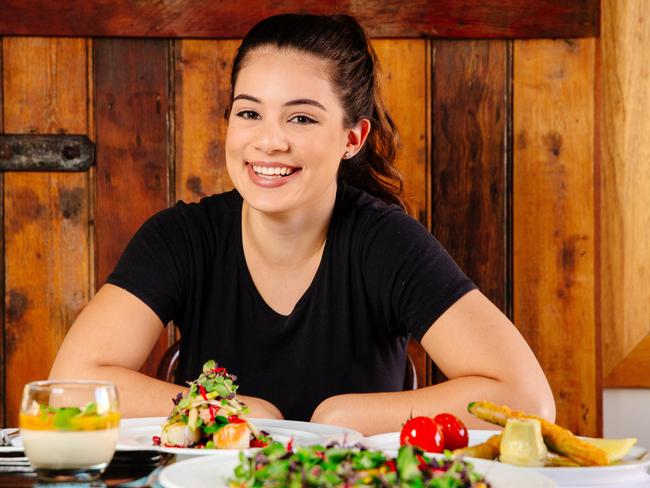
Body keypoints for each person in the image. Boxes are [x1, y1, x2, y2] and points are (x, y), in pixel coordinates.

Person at [50, 14, 555, 435]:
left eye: (301, 119)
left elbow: (527, 399)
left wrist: (341, 418)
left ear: (352, 138)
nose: (269, 142)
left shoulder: (386, 243)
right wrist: (244, 415)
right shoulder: (181, 238)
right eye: (250, 113)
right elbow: (68, 386)